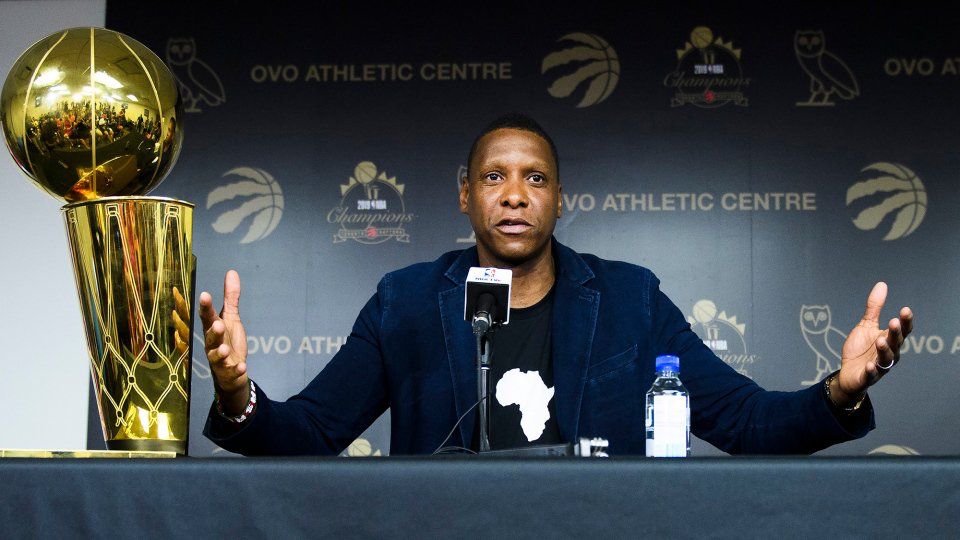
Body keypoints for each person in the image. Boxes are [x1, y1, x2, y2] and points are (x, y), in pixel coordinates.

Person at [191, 113, 913, 455]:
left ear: (560, 198)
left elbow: (746, 422)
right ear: (465, 196)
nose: (514, 195)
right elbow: (313, 431)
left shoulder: (630, 299)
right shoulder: (406, 302)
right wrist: (235, 394)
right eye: (494, 178)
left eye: (534, 178)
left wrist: (840, 391)